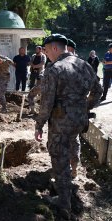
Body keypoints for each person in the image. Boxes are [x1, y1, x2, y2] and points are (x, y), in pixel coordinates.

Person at [35, 34, 102, 219]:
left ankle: (64, 203)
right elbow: (98, 90)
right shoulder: (84, 65)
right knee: (73, 143)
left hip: (61, 122)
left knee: (59, 159)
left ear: (55, 48)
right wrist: (84, 106)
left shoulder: (54, 69)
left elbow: (46, 103)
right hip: (80, 121)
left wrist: (39, 125)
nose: (46, 54)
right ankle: (74, 172)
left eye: (47, 50)